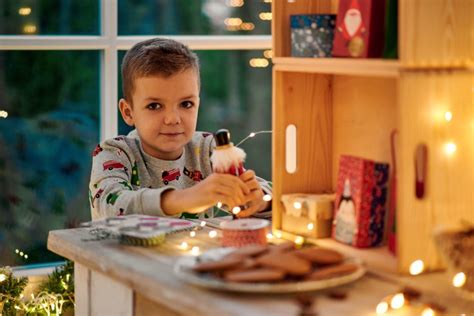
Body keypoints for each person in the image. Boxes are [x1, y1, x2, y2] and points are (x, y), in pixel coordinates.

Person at [89, 38, 271, 220]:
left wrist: (259, 200)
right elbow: (110, 205)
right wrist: (187, 198)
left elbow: (265, 193)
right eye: (154, 106)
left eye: (186, 104)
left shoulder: (207, 149)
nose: (172, 119)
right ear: (129, 112)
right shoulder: (114, 153)